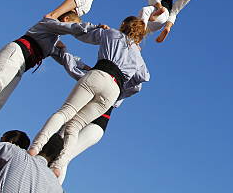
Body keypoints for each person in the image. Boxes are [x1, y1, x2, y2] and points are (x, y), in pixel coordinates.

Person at [28, 16, 148, 177]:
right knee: (75, 126)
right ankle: (59, 164)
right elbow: (143, 78)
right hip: (113, 90)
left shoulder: (111, 34)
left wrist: (95, 27)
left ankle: (35, 147)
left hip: (100, 73)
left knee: (65, 113)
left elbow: (83, 35)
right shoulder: (138, 57)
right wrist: (122, 91)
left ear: (124, 25)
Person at [0, 12, 102, 130]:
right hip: (16, 54)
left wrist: (93, 70)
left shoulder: (54, 43)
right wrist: (95, 28)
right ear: (65, 19)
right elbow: (74, 28)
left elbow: (70, 60)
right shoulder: (48, 23)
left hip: (21, 65)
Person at [49, 43, 145, 184]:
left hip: (96, 124)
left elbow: (138, 84)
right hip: (79, 121)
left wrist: (135, 53)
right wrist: (62, 49)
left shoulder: (120, 83)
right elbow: (72, 64)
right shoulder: (95, 75)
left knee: (63, 157)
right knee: (54, 151)